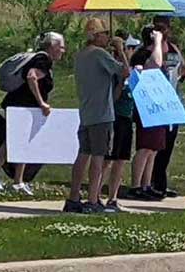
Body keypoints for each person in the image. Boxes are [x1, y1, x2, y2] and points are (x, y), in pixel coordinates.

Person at [0, 32, 66, 196]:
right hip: (23, 106)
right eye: (61, 47)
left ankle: (17, 181)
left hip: (22, 106)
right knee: (13, 142)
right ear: (53, 47)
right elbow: (31, 77)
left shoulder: (41, 59)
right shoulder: (43, 60)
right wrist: (41, 102)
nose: (63, 51)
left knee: (21, 143)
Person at [65, 18, 128, 214]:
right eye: (104, 34)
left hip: (86, 112)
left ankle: (74, 197)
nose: (108, 37)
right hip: (102, 113)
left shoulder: (81, 55)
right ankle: (93, 199)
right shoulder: (99, 54)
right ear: (96, 36)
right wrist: (120, 50)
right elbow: (125, 71)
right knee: (99, 156)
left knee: (83, 154)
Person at [150, 16, 185, 198]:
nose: (164, 31)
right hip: (157, 102)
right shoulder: (152, 49)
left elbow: (180, 75)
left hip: (173, 101)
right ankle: (152, 182)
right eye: (160, 27)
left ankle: (161, 182)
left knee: (168, 146)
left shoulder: (174, 49)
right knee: (156, 145)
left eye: (166, 27)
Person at [126, 25, 167, 201]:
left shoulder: (155, 53)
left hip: (157, 106)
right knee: (145, 148)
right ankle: (135, 185)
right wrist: (158, 41)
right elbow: (155, 65)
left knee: (154, 149)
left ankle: (146, 184)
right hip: (145, 107)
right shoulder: (142, 55)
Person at [103, 35, 136, 212]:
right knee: (108, 160)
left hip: (126, 118)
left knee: (121, 160)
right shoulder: (115, 70)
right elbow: (113, 97)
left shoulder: (128, 70)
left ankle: (113, 197)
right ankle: (97, 194)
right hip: (115, 117)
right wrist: (120, 51)